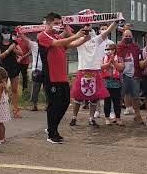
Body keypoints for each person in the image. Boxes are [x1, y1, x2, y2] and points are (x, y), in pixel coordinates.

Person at [38, 13, 88, 144]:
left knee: (65, 103)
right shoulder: (43, 36)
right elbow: (57, 43)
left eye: (59, 23)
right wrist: (74, 35)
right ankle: (51, 132)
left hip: (62, 77)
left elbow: (73, 44)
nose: (58, 26)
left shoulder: (57, 36)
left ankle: (52, 128)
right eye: (55, 23)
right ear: (48, 23)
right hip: (51, 77)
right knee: (54, 105)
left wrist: (84, 37)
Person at [70, 23, 115, 127]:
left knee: (94, 97)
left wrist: (115, 22)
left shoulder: (96, 40)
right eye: (85, 30)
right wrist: (66, 25)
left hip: (95, 71)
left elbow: (107, 31)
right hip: (82, 71)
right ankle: (74, 118)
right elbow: (70, 36)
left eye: (90, 30)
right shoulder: (79, 41)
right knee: (77, 97)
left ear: (93, 31)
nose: (88, 32)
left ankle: (91, 118)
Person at [116, 30, 144, 123]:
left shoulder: (136, 47)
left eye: (129, 36)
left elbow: (140, 59)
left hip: (134, 75)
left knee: (136, 97)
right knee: (120, 96)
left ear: (132, 36)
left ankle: (137, 115)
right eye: (126, 36)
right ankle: (118, 116)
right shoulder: (119, 47)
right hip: (122, 75)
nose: (128, 37)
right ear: (122, 37)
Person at [0, 27, 23, 118]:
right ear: (2, 34)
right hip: (3, 68)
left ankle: (16, 110)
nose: (7, 34)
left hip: (14, 67)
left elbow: (21, 53)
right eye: (5, 33)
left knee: (14, 89)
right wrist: (8, 51)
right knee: (2, 88)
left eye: (8, 33)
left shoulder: (14, 43)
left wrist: (14, 49)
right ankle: (1, 108)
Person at [101, 41, 124, 125]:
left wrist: (113, 62)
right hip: (106, 83)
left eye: (110, 49)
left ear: (114, 50)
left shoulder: (120, 58)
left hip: (116, 84)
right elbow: (100, 67)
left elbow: (121, 68)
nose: (108, 51)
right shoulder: (103, 58)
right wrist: (108, 63)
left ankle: (118, 118)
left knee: (117, 102)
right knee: (107, 102)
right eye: (106, 49)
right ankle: (107, 118)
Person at [27, 32, 44, 111]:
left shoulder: (47, 44)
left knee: (45, 88)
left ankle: (47, 104)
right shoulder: (34, 45)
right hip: (37, 69)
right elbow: (25, 39)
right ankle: (35, 105)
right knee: (36, 88)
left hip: (43, 69)